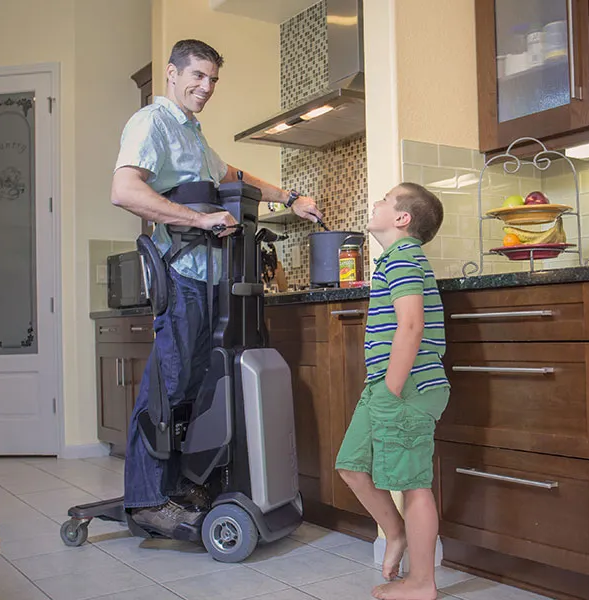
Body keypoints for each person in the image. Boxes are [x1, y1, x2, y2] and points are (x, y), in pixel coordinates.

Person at [110, 39, 324, 536]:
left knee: (195, 388)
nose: (205, 87)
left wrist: (289, 195)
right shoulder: (154, 123)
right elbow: (124, 190)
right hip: (182, 276)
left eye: (212, 80)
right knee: (168, 387)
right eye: (197, 76)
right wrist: (199, 221)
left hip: (210, 281)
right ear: (171, 72)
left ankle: (181, 488)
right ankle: (146, 499)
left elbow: (232, 175)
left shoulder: (192, 134)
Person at [335, 182, 448, 600]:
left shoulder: (402, 258)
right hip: (386, 384)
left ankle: (422, 582)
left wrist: (392, 388)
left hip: (406, 387)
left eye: (384, 200)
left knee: (413, 484)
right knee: (351, 465)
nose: (375, 203)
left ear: (402, 218)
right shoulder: (394, 259)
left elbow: (412, 325)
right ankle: (395, 533)